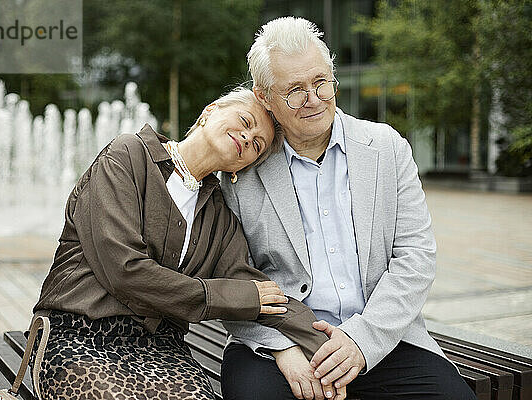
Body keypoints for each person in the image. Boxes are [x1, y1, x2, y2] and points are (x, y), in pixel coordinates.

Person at [219, 17, 477, 400]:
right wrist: (282, 347)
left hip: (381, 337)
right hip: (278, 344)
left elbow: (415, 258)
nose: (313, 98)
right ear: (263, 97)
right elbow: (230, 278)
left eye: (321, 82)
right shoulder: (241, 168)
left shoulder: (387, 147)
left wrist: (361, 340)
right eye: (294, 90)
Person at [29, 87, 333, 400]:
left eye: (257, 144)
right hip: (80, 334)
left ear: (241, 167)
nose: (247, 137)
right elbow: (125, 271)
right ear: (210, 111)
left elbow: (257, 292)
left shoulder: (219, 215)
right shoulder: (128, 155)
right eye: (245, 121)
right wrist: (222, 296)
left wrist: (327, 345)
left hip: (161, 349)